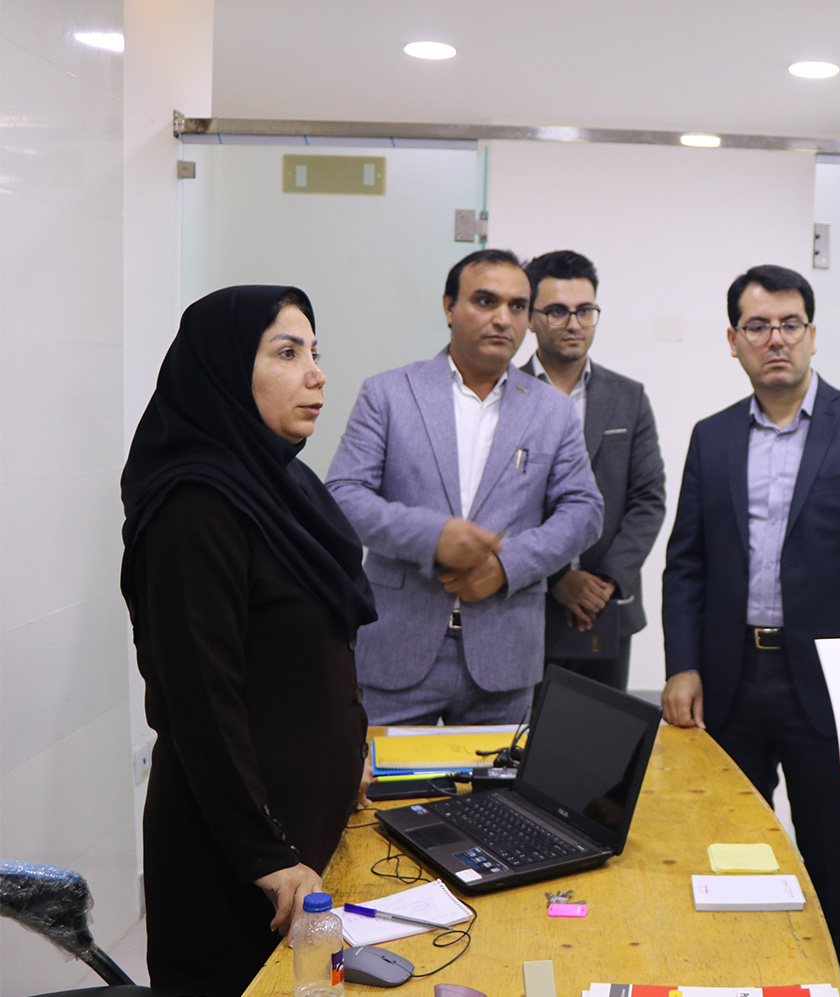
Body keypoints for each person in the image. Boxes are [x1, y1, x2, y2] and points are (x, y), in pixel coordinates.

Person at [661, 264, 840, 967]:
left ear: (812, 334)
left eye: (789, 324)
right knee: (730, 841)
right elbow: (686, 562)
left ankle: (823, 974)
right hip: (730, 680)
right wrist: (682, 664)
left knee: (830, 846)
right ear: (733, 340)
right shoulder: (712, 436)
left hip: (830, 686)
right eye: (757, 326)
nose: (774, 339)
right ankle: (746, 968)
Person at [120, 285, 378, 997]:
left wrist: (348, 755)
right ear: (227, 371)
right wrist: (266, 854)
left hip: (301, 832)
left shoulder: (282, 485)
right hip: (237, 859)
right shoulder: (195, 506)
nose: (316, 374)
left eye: (314, 352)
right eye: (287, 353)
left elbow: (313, 655)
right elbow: (201, 701)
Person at [326, 249, 603, 726]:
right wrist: (434, 537)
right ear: (449, 307)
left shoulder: (551, 410)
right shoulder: (389, 393)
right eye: (485, 301)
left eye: (517, 306)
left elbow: (584, 511)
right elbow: (343, 497)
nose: (503, 318)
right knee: (379, 778)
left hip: (504, 657)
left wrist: (506, 566)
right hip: (396, 649)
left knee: (496, 780)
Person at [522, 250, 667, 690]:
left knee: (605, 730)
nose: (574, 324)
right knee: (526, 733)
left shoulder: (628, 397)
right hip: (527, 605)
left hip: (608, 606)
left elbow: (648, 500)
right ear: (529, 318)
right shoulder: (509, 396)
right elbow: (499, 505)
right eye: (557, 311)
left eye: (585, 311)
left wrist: (605, 581)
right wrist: (557, 579)